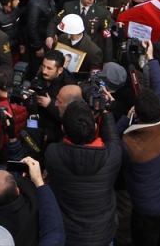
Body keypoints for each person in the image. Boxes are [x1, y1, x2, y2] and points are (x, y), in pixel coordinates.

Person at [116, 40, 160, 246]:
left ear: (137, 116)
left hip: (146, 211)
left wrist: (124, 120)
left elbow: (112, 144)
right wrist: (152, 59)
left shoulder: (130, 144)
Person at [45, 98, 121, 246]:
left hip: (70, 235)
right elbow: (113, 139)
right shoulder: (113, 155)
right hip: (103, 234)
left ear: (63, 129)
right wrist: (106, 112)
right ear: (94, 126)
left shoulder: (53, 154)